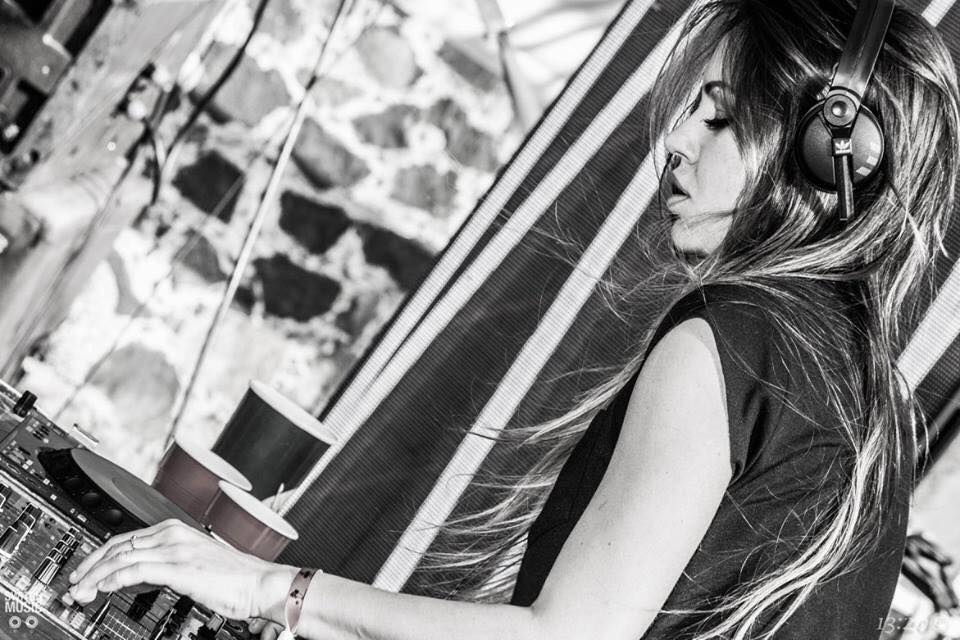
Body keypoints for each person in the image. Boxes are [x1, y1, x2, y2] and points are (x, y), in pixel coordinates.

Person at [65, 1, 960, 638]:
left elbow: (569, 635)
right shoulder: (873, 409)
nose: (678, 143)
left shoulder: (729, 344)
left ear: (822, 153)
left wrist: (269, 589)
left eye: (720, 117)